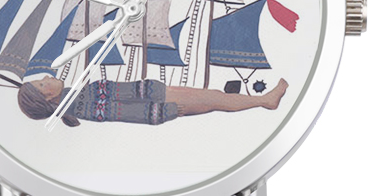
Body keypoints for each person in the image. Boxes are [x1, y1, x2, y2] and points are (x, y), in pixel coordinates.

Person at [17, 75, 289, 127]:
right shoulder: (82, 105)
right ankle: (266, 101)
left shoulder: (77, 97)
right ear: (48, 96)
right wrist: (165, 111)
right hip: (157, 101)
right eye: (41, 84)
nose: (46, 77)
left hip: (155, 94)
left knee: (215, 99)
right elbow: (120, 112)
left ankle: (264, 100)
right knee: (216, 99)